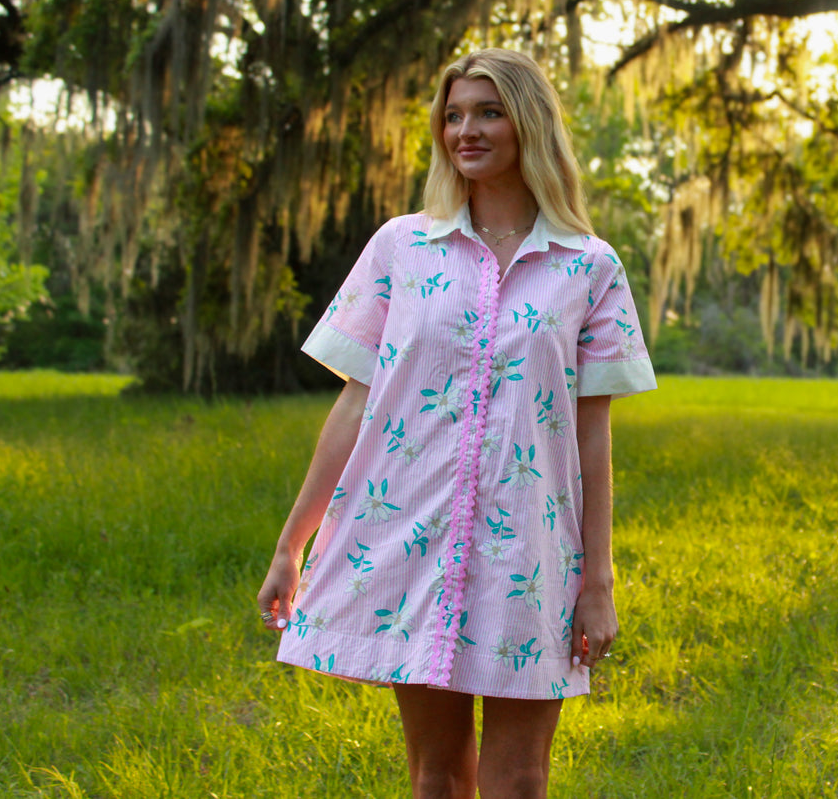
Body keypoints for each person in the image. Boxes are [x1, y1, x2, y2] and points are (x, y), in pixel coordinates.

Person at [256, 48, 657, 799]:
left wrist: (596, 580)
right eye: (453, 114)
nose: (464, 129)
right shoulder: (402, 247)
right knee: (436, 776)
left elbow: (591, 437)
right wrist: (292, 542)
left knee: (520, 780)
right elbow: (354, 403)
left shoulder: (588, 265)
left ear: (528, 123)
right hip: (415, 540)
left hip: (529, 555)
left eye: (487, 111)